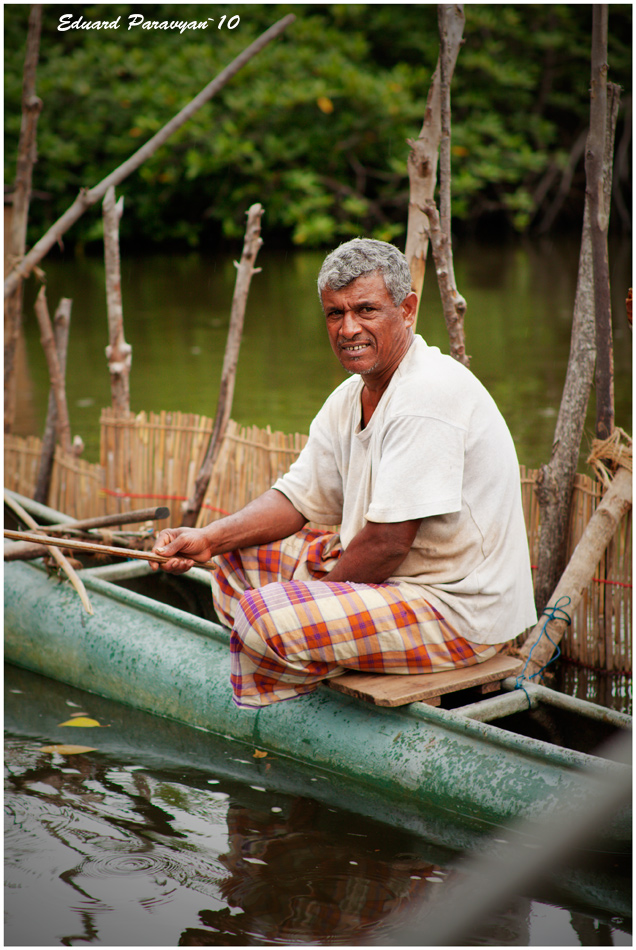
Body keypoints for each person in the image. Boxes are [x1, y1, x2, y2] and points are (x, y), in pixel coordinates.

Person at [151, 238, 537, 708]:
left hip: (458, 612)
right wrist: (209, 538)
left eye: (366, 310)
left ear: (408, 310)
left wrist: (305, 603)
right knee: (233, 564)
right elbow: (296, 499)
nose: (348, 328)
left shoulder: (428, 395)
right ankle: (317, 652)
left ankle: (297, 662)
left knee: (259, 615)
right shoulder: (351, 396)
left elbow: (388, 543)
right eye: (335, 313)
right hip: (393, 589)